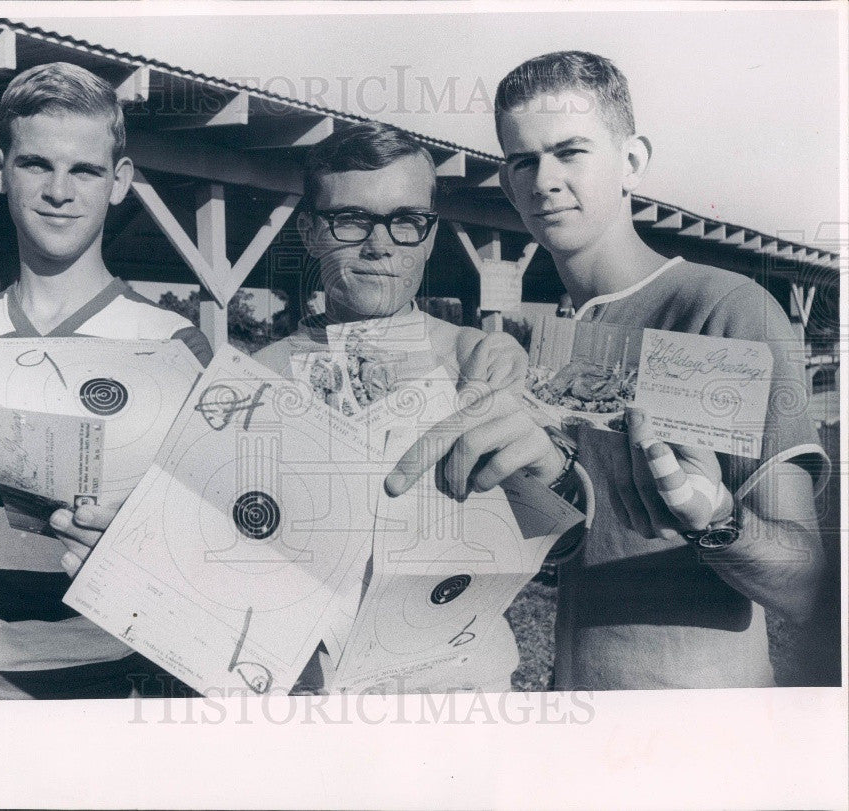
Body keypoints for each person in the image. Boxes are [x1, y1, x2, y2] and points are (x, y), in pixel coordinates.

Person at [55, 122, 557, 694]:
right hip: (308, 699)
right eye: (351, 220)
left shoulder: (479, 362)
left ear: (431, 234)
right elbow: (205, 556)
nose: (380, 244)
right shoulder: (253, 381)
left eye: (406, 221)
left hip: (462, 699)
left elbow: (555, 533)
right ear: (311, 233)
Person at [386, 51, 830, 689]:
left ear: (632, 161)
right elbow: (573, 544)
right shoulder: (554, 339)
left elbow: (810, 585)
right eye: (523, 161)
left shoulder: (725, 308)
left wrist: (718, 519)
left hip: (699, 740)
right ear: (508, 184)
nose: (544, 180)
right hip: (575, 719)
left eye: (570, 152)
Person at [0, 62, 212, 702]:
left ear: (119, 182)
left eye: (84, 169)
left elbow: (211, 546)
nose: (59, 190)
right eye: (36, 164)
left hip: (123, 681)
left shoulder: (174, 346)